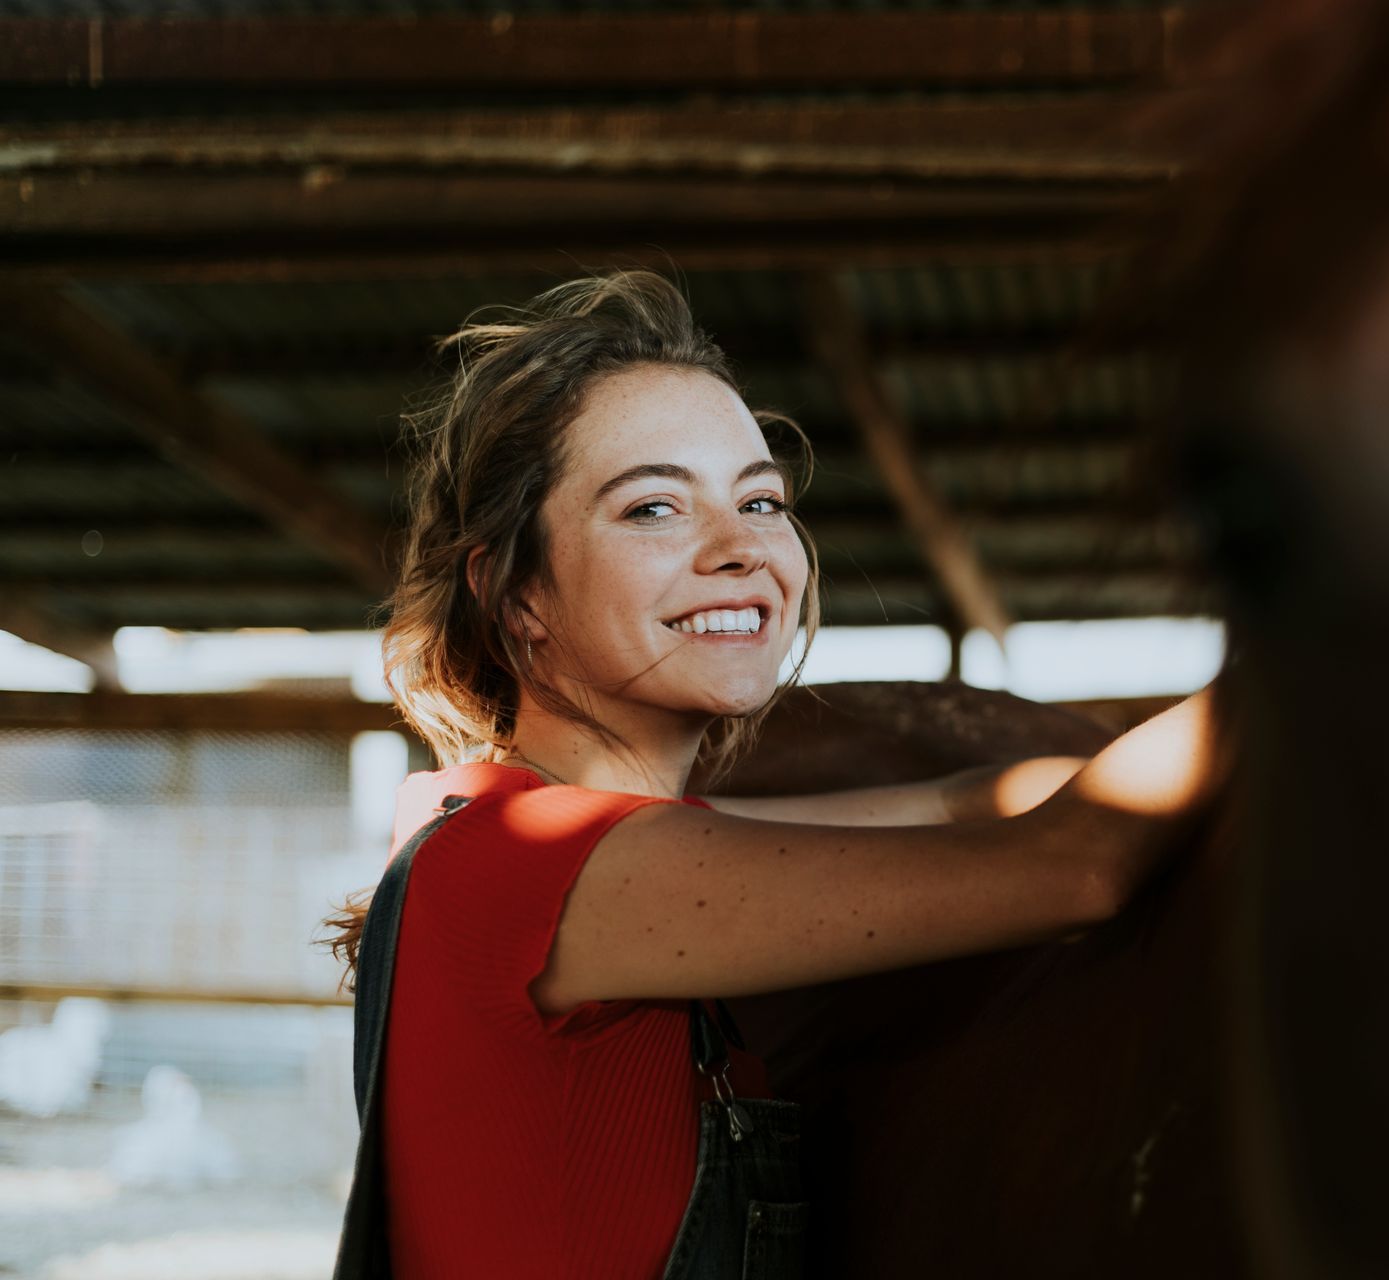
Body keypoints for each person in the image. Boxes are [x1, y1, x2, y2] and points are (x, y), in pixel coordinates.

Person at [322, 270, 1220, 1280]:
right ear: (514, 589)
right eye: (654, 507)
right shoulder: (536, 864)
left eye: (761, 499)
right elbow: (1079, 865)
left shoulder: (546, 832)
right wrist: (1332, 643)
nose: (742, 545)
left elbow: (967, 796)